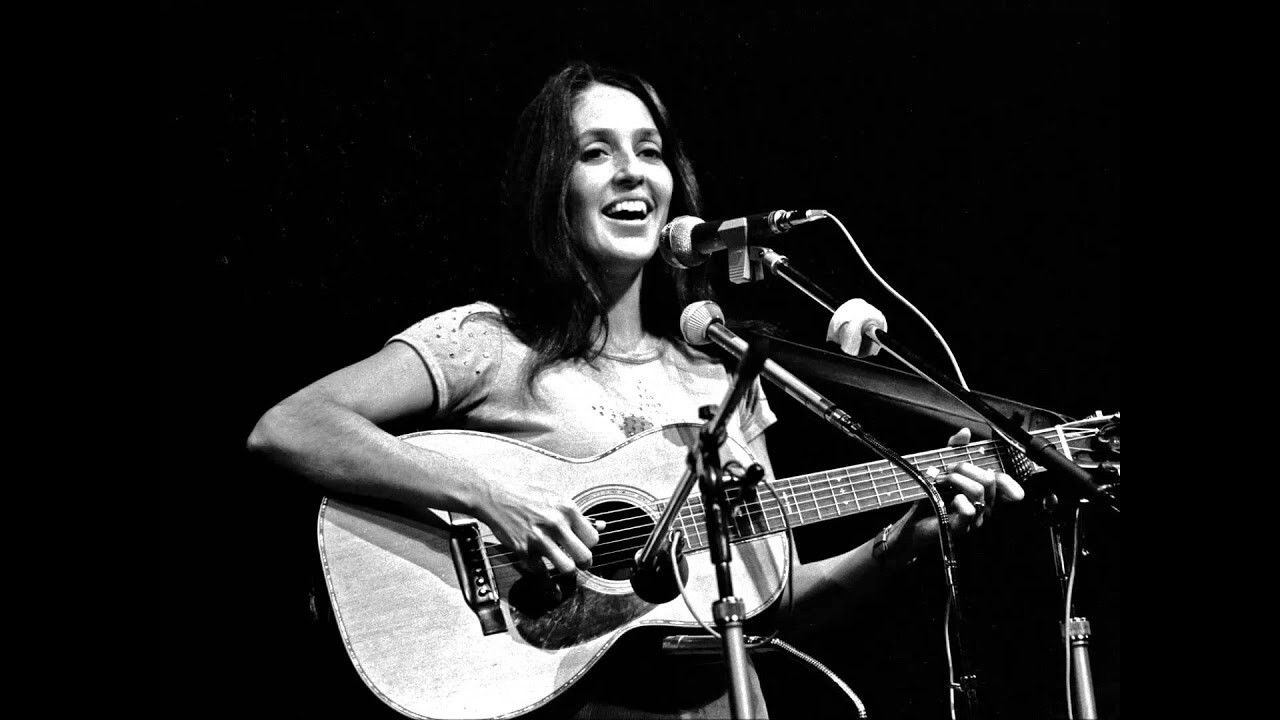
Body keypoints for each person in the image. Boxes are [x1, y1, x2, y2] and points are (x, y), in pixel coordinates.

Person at [246, 61, 1025, 719]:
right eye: (595, 152)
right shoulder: (488, 340)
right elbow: (292, 426)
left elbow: (772, 597)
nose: (630, 172)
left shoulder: (720, 370)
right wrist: (489, 496)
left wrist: (906, 540)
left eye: (648, 152)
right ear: (552, 186)